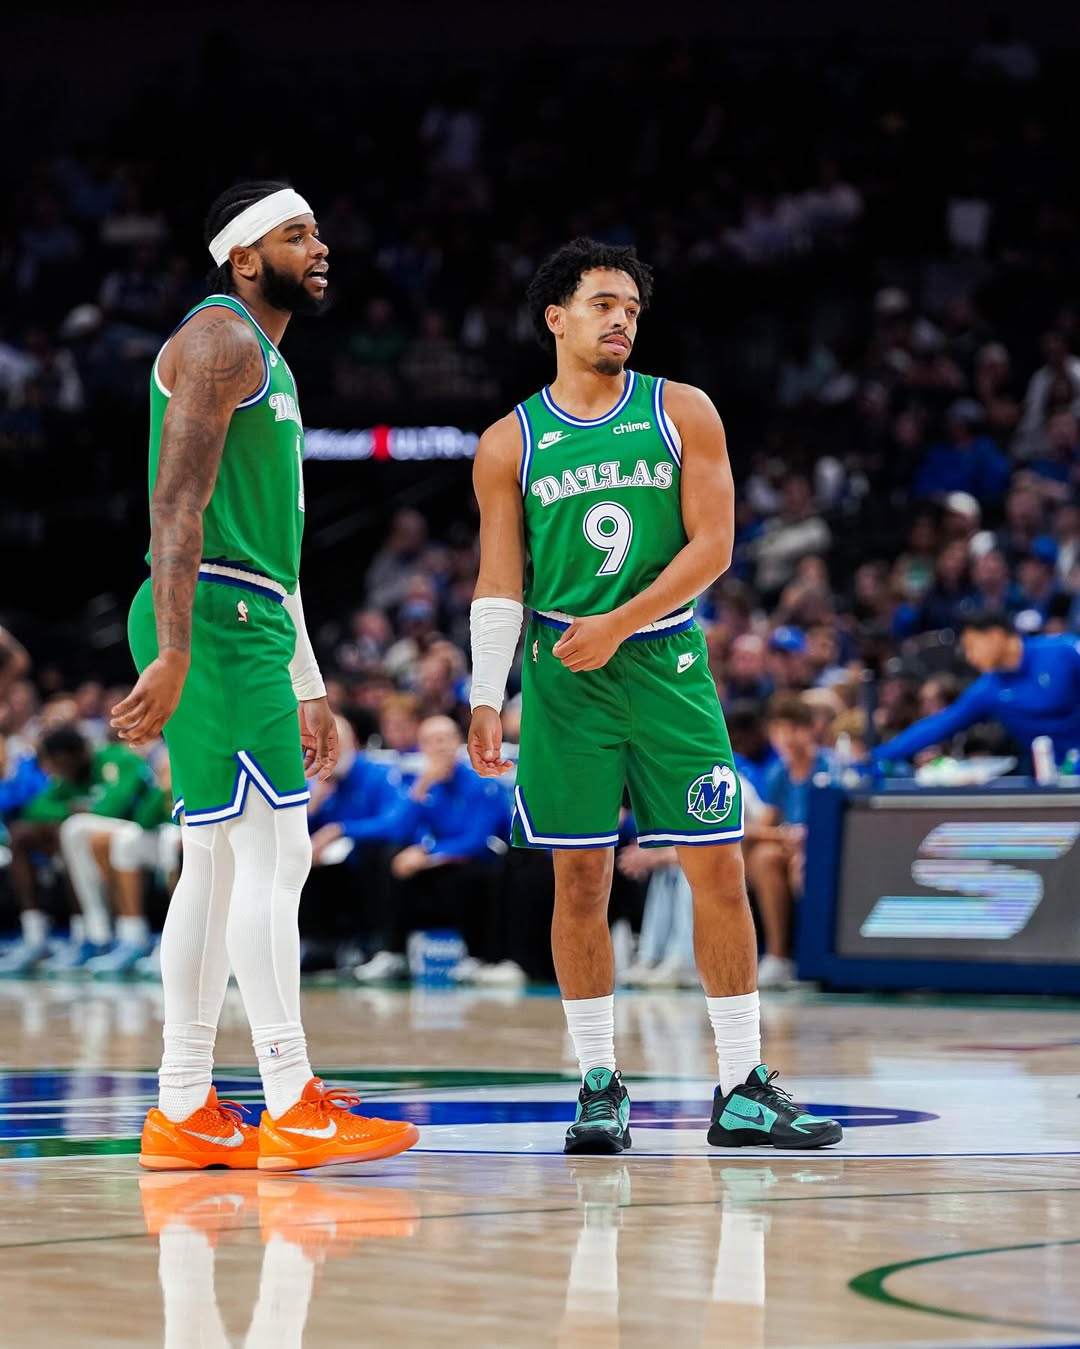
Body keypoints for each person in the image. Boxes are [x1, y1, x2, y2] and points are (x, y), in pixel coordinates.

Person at [466, 237, 841, 1153]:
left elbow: (714, 546)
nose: (621, 320)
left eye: (631, 308)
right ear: (556, 317)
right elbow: (499, 581)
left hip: (667, 661)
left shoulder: (681, 410)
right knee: (579, 878)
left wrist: (621, 621)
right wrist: (483, 693)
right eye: (603, 304)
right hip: (564, 674)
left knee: (717, 864)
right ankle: (598, 1084)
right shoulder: (509, 440)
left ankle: (742, 1085)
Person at [109, 179, 418, 1171]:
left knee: (216, 863)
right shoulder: (219, 338)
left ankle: (184, 1104)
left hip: (245, 614)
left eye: (319, 231)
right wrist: (176, 648)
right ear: (244, 257)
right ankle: (291, 1097)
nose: (319, 247)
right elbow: (175, 505)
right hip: (210, 612)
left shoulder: (267, 358)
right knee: (276, 854)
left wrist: (307, 676)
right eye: (296, 234)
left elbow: (275, 556)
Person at [872, 609, 1080, 770]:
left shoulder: (1064, 651)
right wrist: (876, 756)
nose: (970, 658)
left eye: (971, 646)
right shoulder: (988, 690)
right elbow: (938, 725)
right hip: (1053, 779)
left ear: (996, 636)